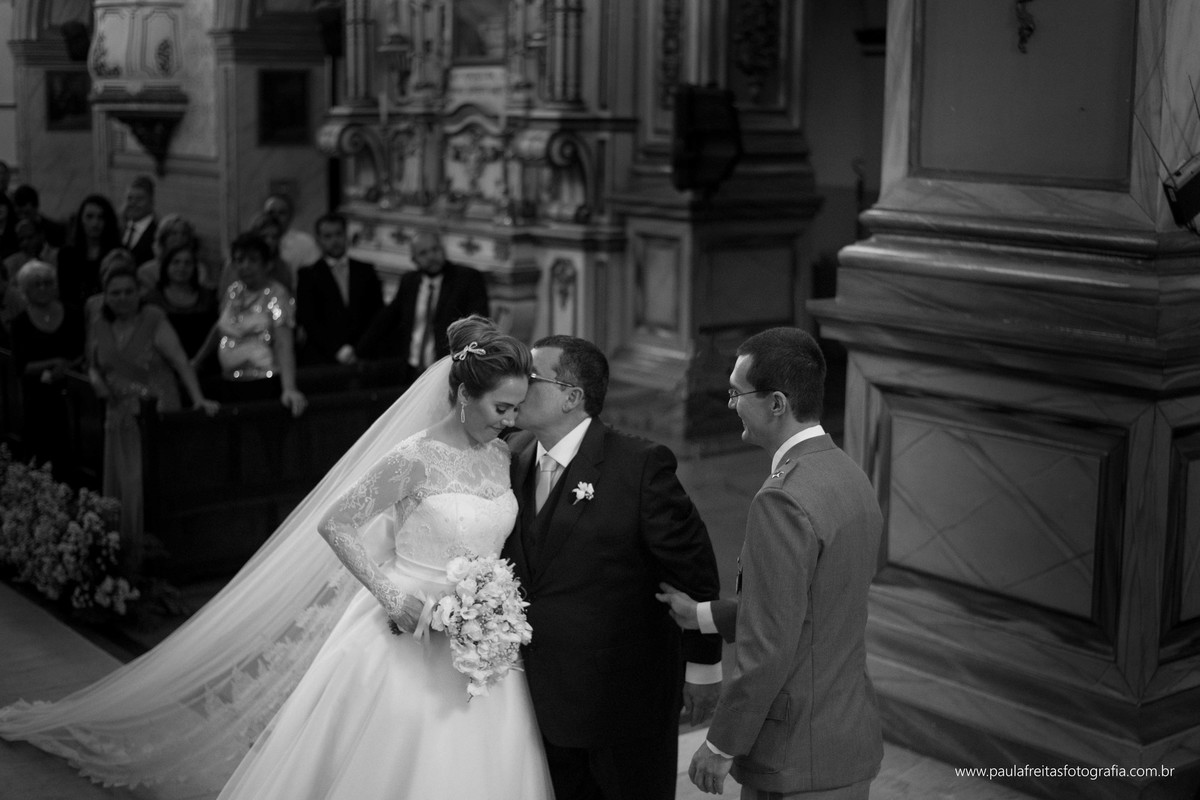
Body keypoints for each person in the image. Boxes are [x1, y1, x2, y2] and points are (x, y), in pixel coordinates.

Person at [0, 317, 555, 799]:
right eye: (501, 407)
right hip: (404, 629)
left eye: (513, 409)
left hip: (483, 644)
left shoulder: (499, 455)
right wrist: (392, 596)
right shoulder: (413, 458)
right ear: (463, 395)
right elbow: (334, 523)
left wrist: (491, 605)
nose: (508, 420)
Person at [657, 327, 884, 800]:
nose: (730, 403)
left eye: (737, 393)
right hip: (846, 737)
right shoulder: (850, 473)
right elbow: (811, 607)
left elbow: (769, 649)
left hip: (792, 752)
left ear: (777, 403)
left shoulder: (781, 500)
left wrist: (721, 744)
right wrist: (701, 615)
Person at [501, 334, 724, 800]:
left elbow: (694, 570)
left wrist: (703, 668)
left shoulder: (639, 466)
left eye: (531, 377)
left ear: (572, 396)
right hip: (534, 698)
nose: (516, 386)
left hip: (622, 705)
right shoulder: (511, 456)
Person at [88, 263, 219, 569]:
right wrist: (96, 382)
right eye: (115, 293)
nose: (122, 298)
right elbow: (93, 363)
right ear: (105, 296)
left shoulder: (153, 319)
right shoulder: (98, 323)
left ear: (140, 293)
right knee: (120, 480)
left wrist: (198, 398)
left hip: (153, 416)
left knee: (142, 484)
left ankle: (148, 557)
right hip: (117, 414)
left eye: (129, 292)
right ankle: (118, 551)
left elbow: (181, 362)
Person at [354, 230, 489, 381]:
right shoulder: (409, 282)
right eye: (423, 253)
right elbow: (385, 320)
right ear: (414, 259)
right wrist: (357, 351)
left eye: (435, 249)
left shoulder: (466, 279)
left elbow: (479, 325)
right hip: (411, 369)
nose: (431, 257)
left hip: (448, 369)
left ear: (443, 250)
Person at [197, 231, 305, 415]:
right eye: (239, 260)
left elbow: (283, 343)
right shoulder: (233, 291)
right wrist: (198, 360)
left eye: (252, 260)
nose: (245, 266)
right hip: (229, 382)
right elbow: (220, 328)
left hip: (264, 383)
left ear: (267, 264)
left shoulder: (277, 294)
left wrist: (289, 388)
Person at [8, 260, 84, 478]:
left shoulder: (72, 313)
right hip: (37, 397)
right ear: (25, 290)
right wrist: (54, 362)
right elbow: (21, 366)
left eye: (48, 282)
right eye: (36, 284)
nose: (43, 288)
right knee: (40, 456)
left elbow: (83, 350)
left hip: (72, 393)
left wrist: (67, 366)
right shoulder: (20, 323)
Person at [295, 212, 383, 366]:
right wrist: (338, 350)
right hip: (323, 357)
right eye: (327, 236)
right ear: (319, 240)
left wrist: (359, 349)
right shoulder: (308, 275)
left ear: (346, 236)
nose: (334, 241)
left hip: (363, 355)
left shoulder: (366, 271)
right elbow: (309, 320)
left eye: (338, 234)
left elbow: (377, 314)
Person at [144, 242, 218, 360]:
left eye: (187, 263)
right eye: (176, 262)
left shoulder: (208, 297)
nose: (182, 267)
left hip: (205, 362)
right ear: (166, 265)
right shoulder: (152, 299)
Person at [57, 193, 121, 308]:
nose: (95, 223)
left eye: (101, 217)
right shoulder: (67, 255)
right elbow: (65, 294)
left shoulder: (118, 254)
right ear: (81, 219)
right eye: (89, 217)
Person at [263, 192, 321, 280]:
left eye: (281, 213)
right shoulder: (254, 242)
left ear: (290, 216)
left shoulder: (305, 243)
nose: (275, 217)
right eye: (271, 212)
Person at [119, 174, 158, 266]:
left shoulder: (157, 234)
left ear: (151, 201)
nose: (133, 203)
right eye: (129, 198)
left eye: (139, 199)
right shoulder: (119, 229)